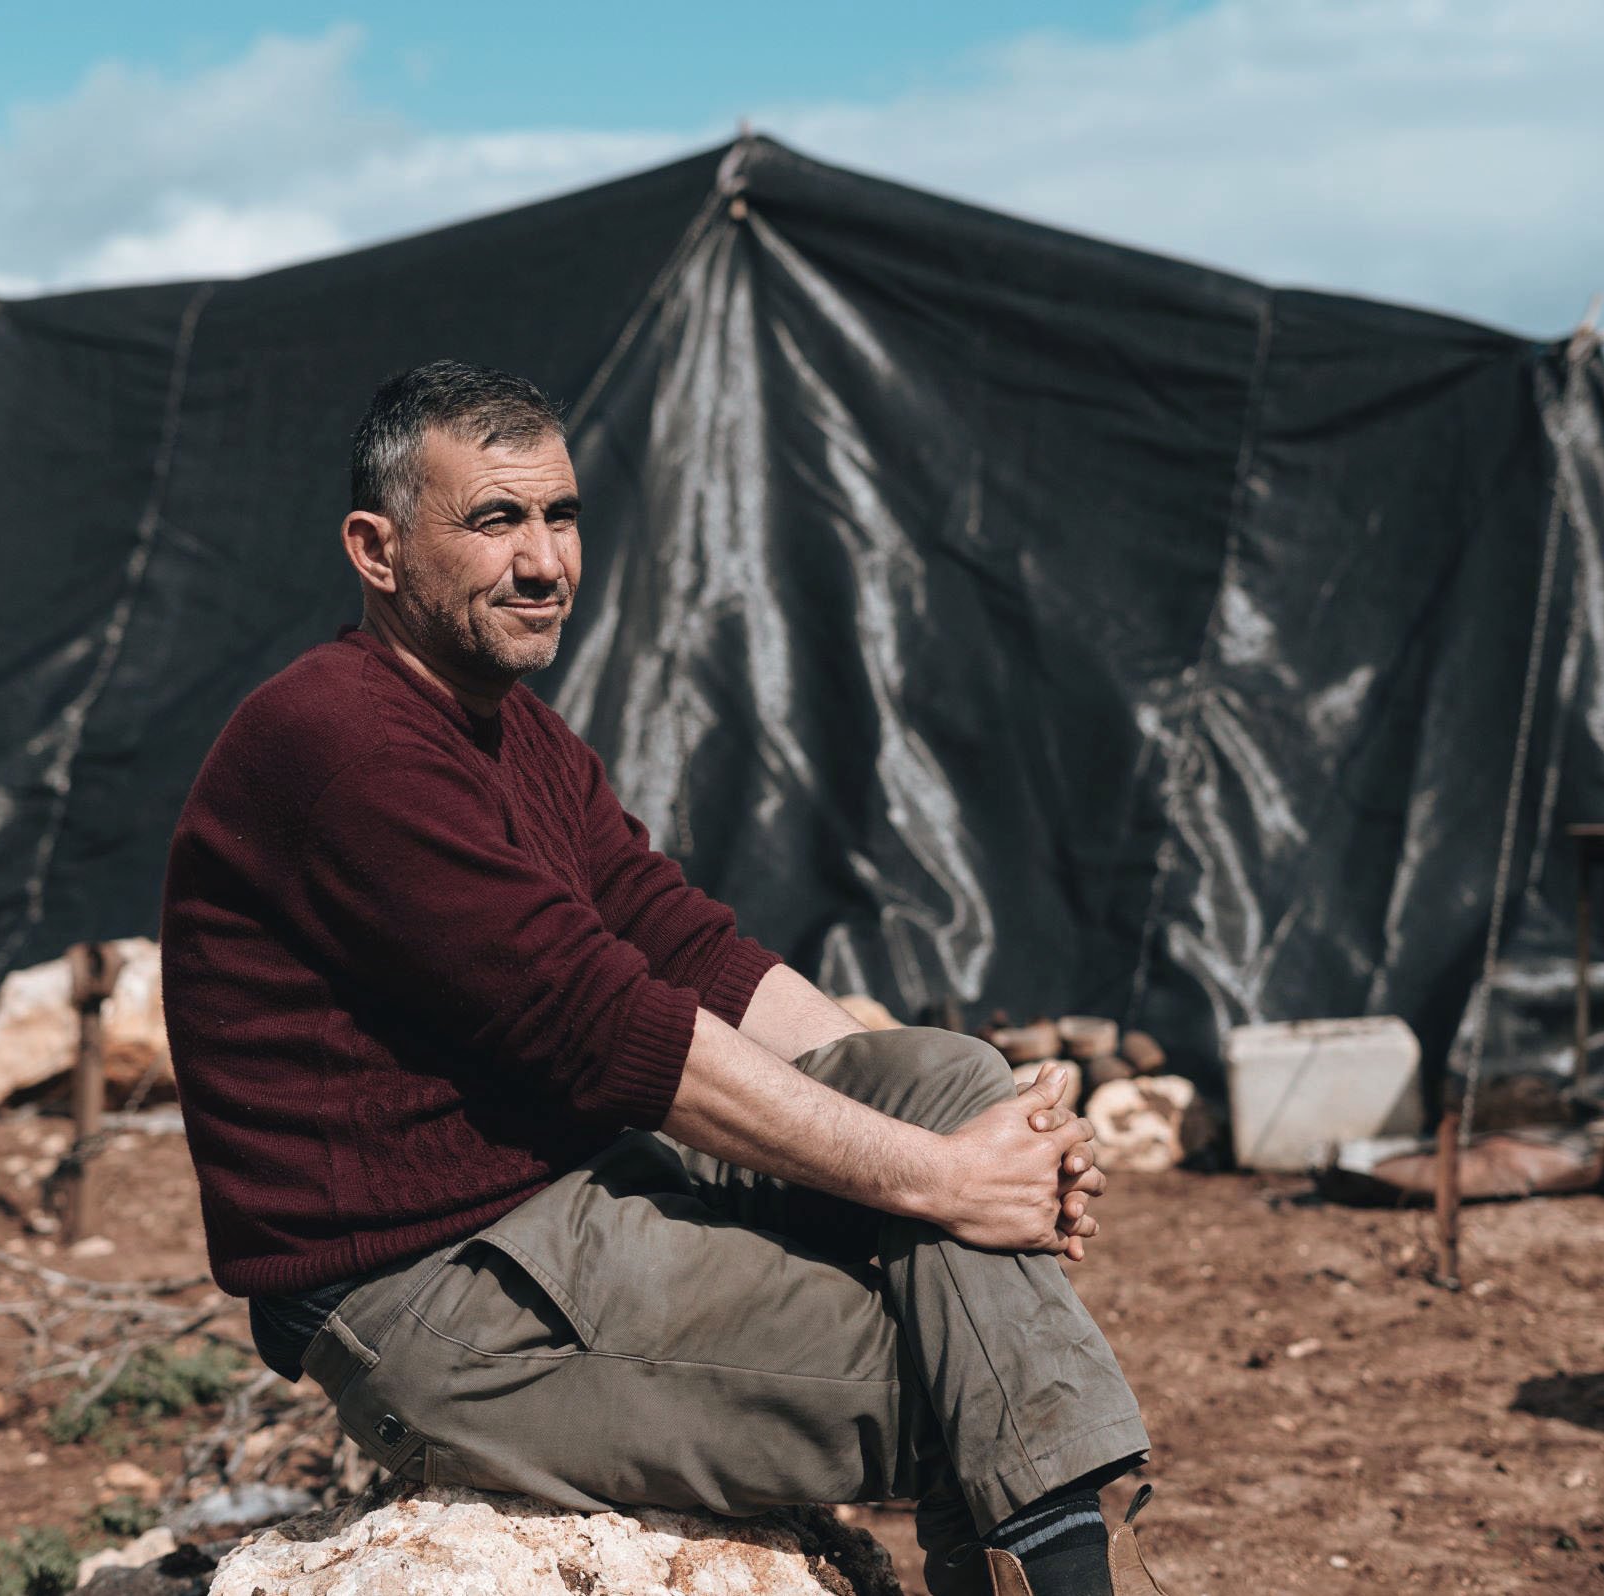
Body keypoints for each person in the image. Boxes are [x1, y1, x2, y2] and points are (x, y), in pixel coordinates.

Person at [161, 361, 1161, 1595]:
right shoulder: (338, 741)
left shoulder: (508, 725)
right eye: (495, 521)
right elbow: (607, 1025)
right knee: (976, 1371)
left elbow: (676, 939)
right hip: (441, 1291)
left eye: (561, 515)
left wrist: (977, 1146)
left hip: (574, 1179)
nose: (545, 562)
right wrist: (950, 1185)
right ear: (377, 550)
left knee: (946, 1073)